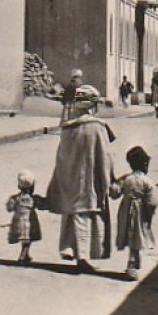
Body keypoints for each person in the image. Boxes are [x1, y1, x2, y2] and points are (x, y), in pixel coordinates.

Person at [46, 85, 114, 274]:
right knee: (87, 215)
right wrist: (109, 179)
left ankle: (71, 249)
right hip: (91, 181)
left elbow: (61, 157)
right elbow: (105, 156)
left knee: (73, 213)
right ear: (93, 106)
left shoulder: (68, 129)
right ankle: (83, 256)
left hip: (72, 179)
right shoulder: (98, 128)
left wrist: (60, 180)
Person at [109, 146, 157, 281]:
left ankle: (135, 261)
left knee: (130, 234)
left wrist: (112, 181)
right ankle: (132, 265)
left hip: (125, 211)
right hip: (140, 211)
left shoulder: (126, 179)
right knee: (137, 236)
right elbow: (152, 201)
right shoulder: (147, 181)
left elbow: (114, 193)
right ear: (145, 164)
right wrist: (149, 212)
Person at [5, 169, 46, 266]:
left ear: (19, 186)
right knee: (28, 240)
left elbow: (9, 208)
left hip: (18, 221)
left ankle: (26, 255)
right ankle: (22, 256)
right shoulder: (34, 198)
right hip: (29, 222)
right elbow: (43, 206)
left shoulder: (15, 198)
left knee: (24, 240)